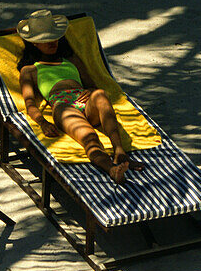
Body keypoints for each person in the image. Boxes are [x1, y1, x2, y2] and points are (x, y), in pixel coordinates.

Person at [16, 10, 143, 184]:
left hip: (85, 100)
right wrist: (43, 123)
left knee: (100, 94)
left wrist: (90, 91)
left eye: (54, 37)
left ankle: (120, 152)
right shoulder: (30, 70)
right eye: (45, 40)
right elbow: (29, 104)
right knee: (89, 138)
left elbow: (92, 85)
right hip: (63, 106)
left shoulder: (72, 59)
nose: (52, 42)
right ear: (34, 44)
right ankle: (112, 169)